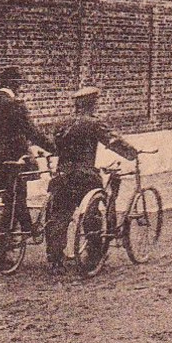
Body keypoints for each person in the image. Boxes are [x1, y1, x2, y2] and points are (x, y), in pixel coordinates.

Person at [45, 86, 139, 270]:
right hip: (84, 176)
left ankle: (55, 259)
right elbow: (113, 141)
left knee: (59, 216)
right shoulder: (93, 124)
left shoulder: (62, 123)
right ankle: (94, 254)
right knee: (92, 213)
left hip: (62, 176)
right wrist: (132, 153)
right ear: (92, 104)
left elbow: (54, 146)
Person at [0, 67, 55, 242]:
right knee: (16, 200)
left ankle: (23, 230)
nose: (20, 88)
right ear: (13, 84)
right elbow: (32, 132)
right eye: (19, 84)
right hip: (17, 160)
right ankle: (9, 243)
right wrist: (53, 148)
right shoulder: (15, 105)